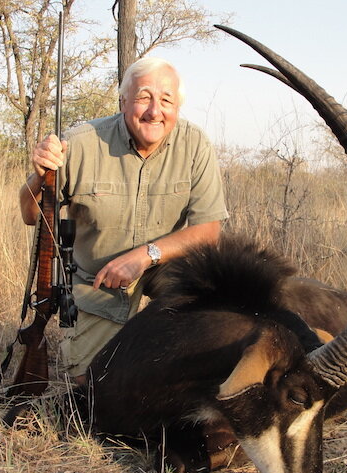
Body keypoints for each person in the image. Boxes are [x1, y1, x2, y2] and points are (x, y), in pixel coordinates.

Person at [19, 57, 229, 386]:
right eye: (144, 97)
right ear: (124, 101)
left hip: (164, 267)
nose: (154, 111)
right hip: (97, 278)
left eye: (166, 100)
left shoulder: (195, 143)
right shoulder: (80, 141)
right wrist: (40, 175)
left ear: (177, 106)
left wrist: (143, 256)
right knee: (95, 385)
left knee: (217, 312)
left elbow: (208, 232)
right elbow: (31, 215)